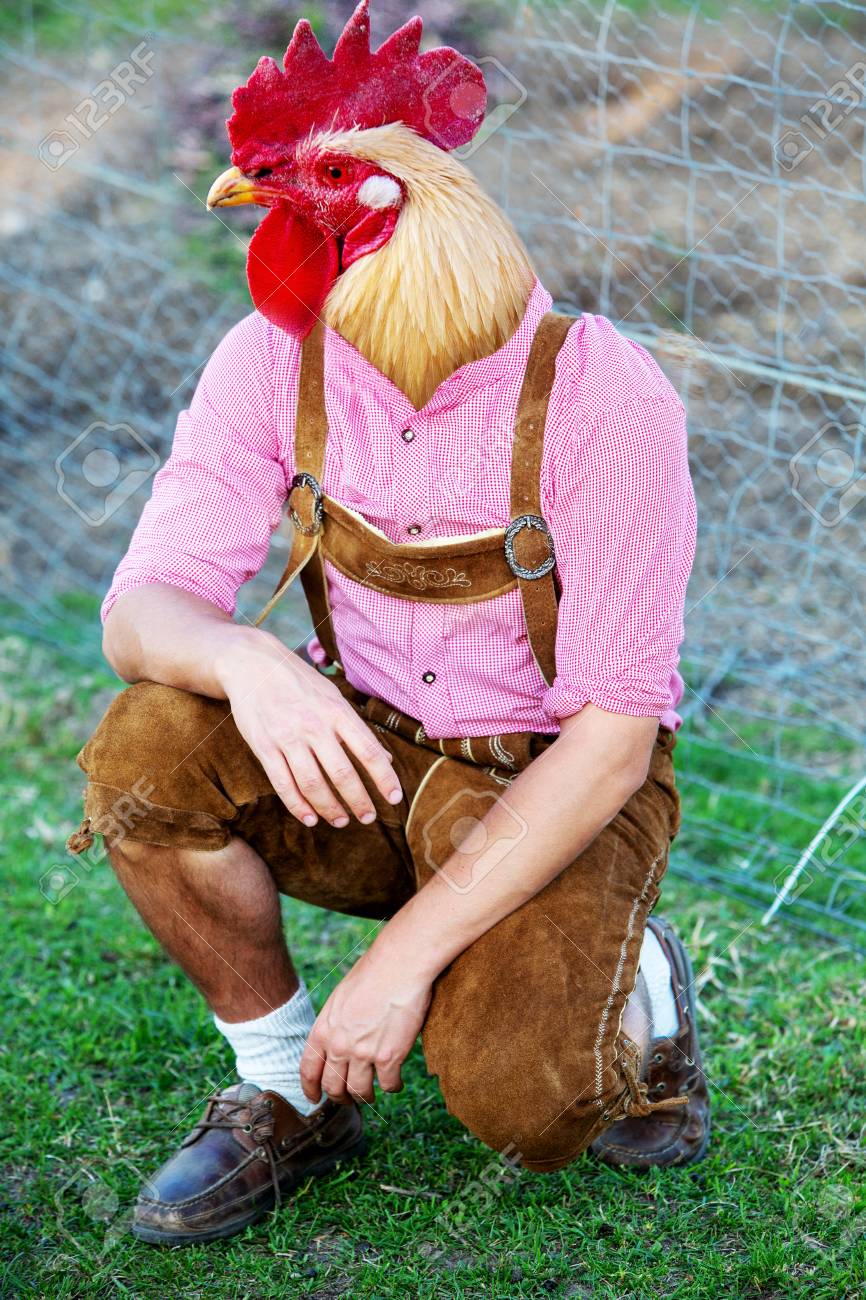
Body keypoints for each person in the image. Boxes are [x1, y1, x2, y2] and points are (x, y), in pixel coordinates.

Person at [67, 3, 708, 1248]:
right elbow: (140, 611)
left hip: (548, 778)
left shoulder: (599, 392)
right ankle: (286, 1087)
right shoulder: (270, 358)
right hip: (363, 746)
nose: (251, 190)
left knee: (530, 1105)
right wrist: (246, 658)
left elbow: (615, 736)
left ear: (395, 210)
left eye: (317, 176)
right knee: (144, 750)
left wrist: (399, 961)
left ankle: (641, 983)